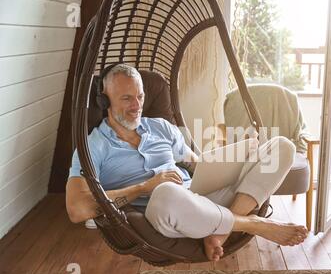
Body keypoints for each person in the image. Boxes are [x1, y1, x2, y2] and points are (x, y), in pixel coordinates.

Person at [66, 64, 308, 261]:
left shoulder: (161, 127)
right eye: (127, 98)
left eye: (140, 96)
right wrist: (144, 187)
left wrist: (237, 156)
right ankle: (253, 223)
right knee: (167, 192)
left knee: (281, 146)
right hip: (165, 211)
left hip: (201, 198)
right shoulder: (92, 147)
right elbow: (77, 210)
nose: (137, 106)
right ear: (104, 102)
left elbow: (199, 165)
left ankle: (219, 233)